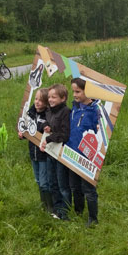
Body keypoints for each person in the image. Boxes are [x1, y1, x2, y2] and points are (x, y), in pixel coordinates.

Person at [67, 78, 101, 226]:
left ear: (89, 92)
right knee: (74, 186)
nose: (74, 94)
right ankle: (78, 211)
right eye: (73, 91)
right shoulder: (75, 108)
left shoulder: (95, 111)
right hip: (72, 153)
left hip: (87, 157)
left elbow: (99, 134)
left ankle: (93, 218)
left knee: (88, 188)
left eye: (78, 91)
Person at [40, 84, 71, 220]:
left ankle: (65, 212)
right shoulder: (49, 110)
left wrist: (49, 138)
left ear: (63, 98)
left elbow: (64, 134)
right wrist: (45, 126)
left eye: (54, 97)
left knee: (62, 184)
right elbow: (45, 122)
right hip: (50, 152)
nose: (51, 100)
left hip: (60, 153)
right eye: (49, 97)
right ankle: (57, 209)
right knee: (52, 182)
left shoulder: (65, 112)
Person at [19, 88, 52, 212]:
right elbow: (27, 130)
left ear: (46, 103)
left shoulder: (48, 116)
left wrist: (48, 128)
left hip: (43, 154)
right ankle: (43, 205)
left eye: (41, 100)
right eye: (36, 99)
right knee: (38, 180)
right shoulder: (30, 113)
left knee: (44, 182)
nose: (37, 102)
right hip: (33, 154)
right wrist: (22, 134)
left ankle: (50, 207)